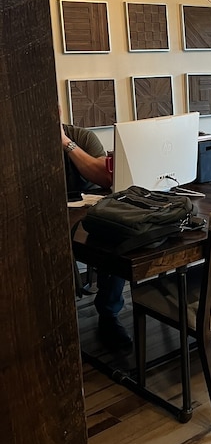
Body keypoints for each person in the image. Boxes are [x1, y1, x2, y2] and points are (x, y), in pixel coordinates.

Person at [61, 109, 131, 350]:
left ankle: (109, 315)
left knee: (113, 238)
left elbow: (105, 178)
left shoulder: (80, 136)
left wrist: (65, 142)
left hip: (86, 212)